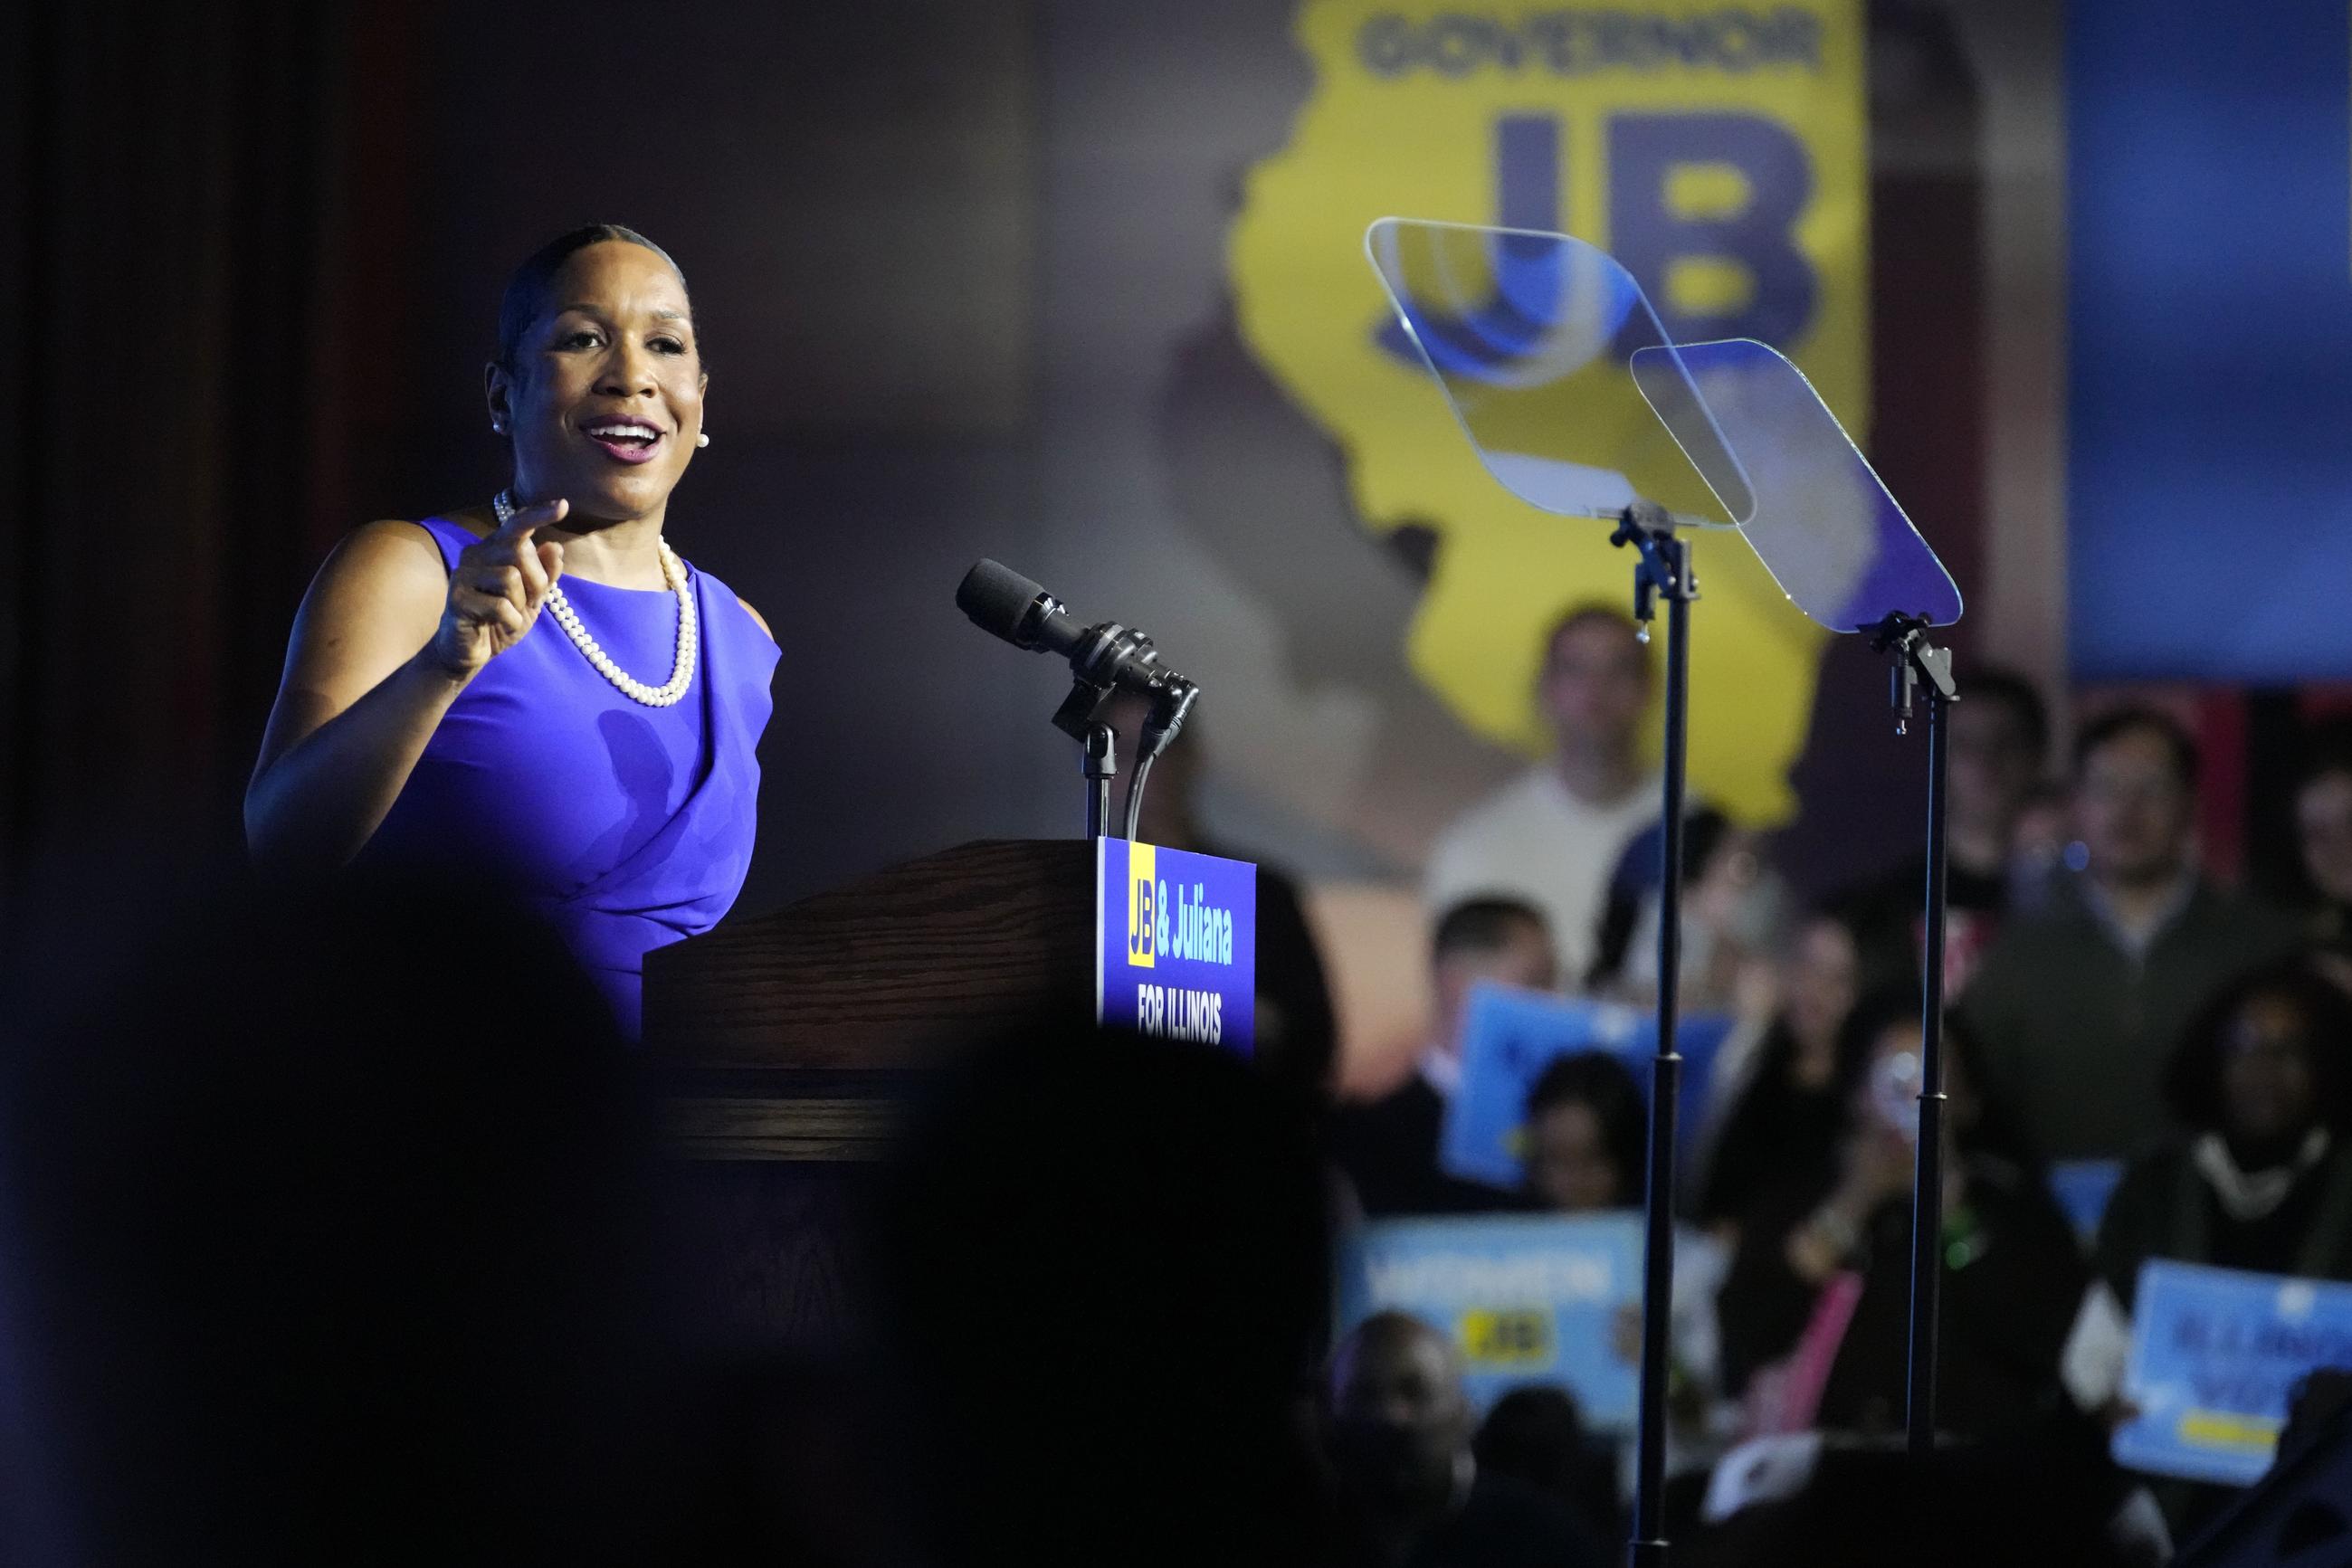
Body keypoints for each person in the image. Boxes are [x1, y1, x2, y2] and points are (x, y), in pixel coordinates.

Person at [243, 224, 778, 1040]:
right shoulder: (412, 569)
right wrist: (440, 667)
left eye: (665, 344)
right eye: (582, 339)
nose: (631, 377)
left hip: (668, 1133)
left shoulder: (738, 632)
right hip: (440, 1102)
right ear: (502, 394)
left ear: (700, 397)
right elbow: (281, 849)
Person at [1716, 991, 2086, 1442]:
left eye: (1931, 1078)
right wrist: (1853, 1202)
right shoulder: (1797, 1200)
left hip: (1966, 1475)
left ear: (1967, 1100)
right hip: (1828, 1469)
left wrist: (1948, 1204)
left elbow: (2046, 1339)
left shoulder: (2011, 1209)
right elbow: (1750, 1329)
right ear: (1857, 1091)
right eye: (1894, 1076)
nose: (1911, 1099)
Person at [1961, 708, 2300, 1161]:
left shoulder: (2259, 944)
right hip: (2050, 1214)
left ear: (2189, 804)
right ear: (2077, 804)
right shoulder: (2020, 953)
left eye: (2151, 788)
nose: (2127, 809)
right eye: (2107, 789)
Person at [1102, 689, 1338, 1100]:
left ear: (1193, 757)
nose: (1144, 767)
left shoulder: (1265, 895)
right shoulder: (1068, 894)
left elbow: (1313, 1042)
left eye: (1160, 746)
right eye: (1124, 751)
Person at [1425, 607, 1662, 988]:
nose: (1596, 689)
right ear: (1545, 687)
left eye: (1620, 669)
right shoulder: (1475, 847)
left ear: (1651, 687)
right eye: (1576, 669)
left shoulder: (1707, 839)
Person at [1324, 1312, 1607, 1568]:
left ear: (1465, 1410)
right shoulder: (1299, 1535)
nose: (1391, 1416)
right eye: (1363, 1395)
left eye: (1414, 1392)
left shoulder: (1548, 1541)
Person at [1330, 898, 1554, 1217]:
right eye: (1534, 984)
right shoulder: (1371, 1136)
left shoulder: (1563, 1128)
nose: (1551, 1004)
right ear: (1457, 983)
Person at [1851, 669, 2052, 995]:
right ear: (1940, 754)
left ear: (2036, 756)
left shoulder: (2066, 900)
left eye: (2005, 742)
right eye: (1967, 743)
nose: (1986, 762)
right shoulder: (1891, 903)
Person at [1694, 904, 1892, 1234]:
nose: (1813, 991)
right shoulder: (1757, 1067)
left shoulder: (1872, 1100)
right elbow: (1714, 1194)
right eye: (1806, 967)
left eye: (1838, 979)